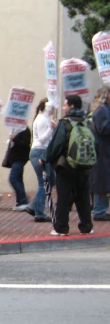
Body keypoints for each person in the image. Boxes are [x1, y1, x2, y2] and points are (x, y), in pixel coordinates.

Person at [45, 95, 94, 236]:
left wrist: (46, 158)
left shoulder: (64, 123)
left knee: (64, 197)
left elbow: (56, 145)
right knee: (83, 196)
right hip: (84, 165)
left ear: (72, 106)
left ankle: (61, 228)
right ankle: (86, 226)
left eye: (65, 105)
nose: (63, 107)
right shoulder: (87, 122)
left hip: (66, 166)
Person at [27, 99, 56, 222]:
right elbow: (44, 140)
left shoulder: (40, 119)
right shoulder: (42, 120)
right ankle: (38, 212)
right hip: (40, 152)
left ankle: (35, 206)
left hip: (39, 152)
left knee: (49, 181)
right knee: (44, 183)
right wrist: (51, 128)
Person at [89, 85, 110, 221]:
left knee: (103, 182)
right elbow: (104, 129)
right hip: (102, 152)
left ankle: (101, 209)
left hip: (105, 152)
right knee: (101, 182)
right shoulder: (101, 111)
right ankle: (99, 210)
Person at [6, 126, 31, 211]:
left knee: (13, 179)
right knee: (18, 179)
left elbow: (25, 144)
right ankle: (20, 201)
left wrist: (14, 138)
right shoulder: (15, 129)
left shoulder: (24, 129)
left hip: (20, 158)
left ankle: (23, 200)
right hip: (15, 158)